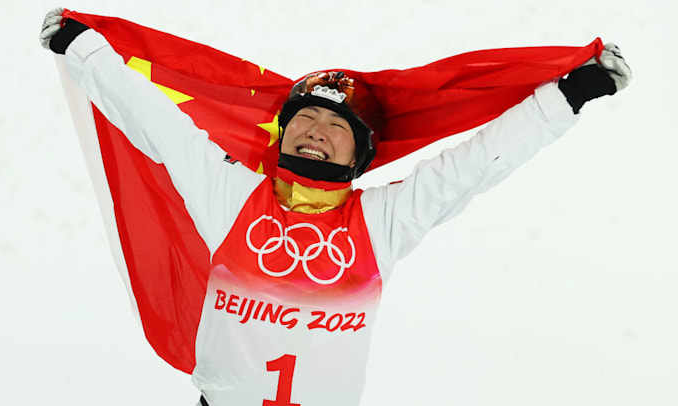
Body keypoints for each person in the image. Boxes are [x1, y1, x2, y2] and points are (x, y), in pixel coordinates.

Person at [41, 8, 631, 406]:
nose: (315, 131)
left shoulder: (382, 220)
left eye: (336, 124)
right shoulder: (231, 195)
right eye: (304, 118)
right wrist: (86, 51)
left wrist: (568, 96)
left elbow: (476, 164)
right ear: (282, 134)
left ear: (362, 152)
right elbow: (157, 122)